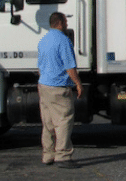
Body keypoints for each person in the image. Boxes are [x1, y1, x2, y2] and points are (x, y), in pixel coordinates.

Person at [37, 12, 83, 169]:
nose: (67, 24)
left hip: (44, 85)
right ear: (60, 23)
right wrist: (78, 83)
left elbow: (40, 66)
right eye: (66, 21)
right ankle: (62, 156)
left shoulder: (43, 40)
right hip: (58, 87)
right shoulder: (64, 41)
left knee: (48, 122)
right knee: (64, 120)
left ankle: (48, 155)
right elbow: (69, 67)